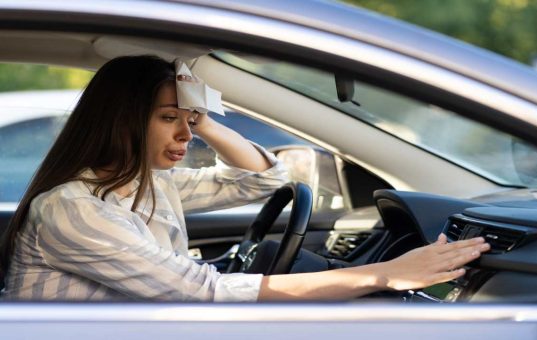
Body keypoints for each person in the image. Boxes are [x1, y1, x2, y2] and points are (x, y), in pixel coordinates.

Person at [0, 55, 489, 301]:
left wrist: (205, 118)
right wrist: (384, 273)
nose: (186, 135)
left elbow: (259, 181)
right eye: (169, 118)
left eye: (188, 121)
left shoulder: (146, 184)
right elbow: (202, 292)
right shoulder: (74, 207)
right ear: (123, 119)